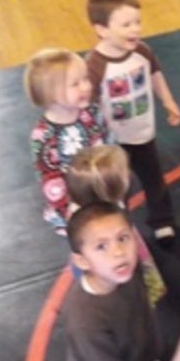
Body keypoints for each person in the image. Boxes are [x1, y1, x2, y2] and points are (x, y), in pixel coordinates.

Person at [85, 0, 180, 243]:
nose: (136, 29)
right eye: (126, 25)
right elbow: (90, 104)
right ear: (102, 29)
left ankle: (162, 219)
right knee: (117, 187)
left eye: (137, 22)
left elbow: (155, 74)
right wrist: (95, 138)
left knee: (154, 179)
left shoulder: (142, 51)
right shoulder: (95, 65)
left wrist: (168, 100)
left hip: (143, 133)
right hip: (114, 142)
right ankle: (119, 223)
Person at [62, 202, 180, 361]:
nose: (119, 252)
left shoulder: (126, 271)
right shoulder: (85, 319)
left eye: (123, 238)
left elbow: (143, 310)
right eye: (102, 246)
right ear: (81, 261)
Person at [24, 48, 111, 235]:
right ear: (50, 94)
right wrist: (67, 211)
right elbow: (49, 178)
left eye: (85, 79)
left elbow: (109, 144)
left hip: (105, 195)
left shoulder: (92, 113)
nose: (86, 87)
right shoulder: (43, 136)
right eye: (75, 84)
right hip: (75, 210)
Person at [66, 144, 166, 305]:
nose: (129, 173)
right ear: (113, 191)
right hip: (111, 270)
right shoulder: (111, 216)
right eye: (125, 172)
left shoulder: (80, 210)